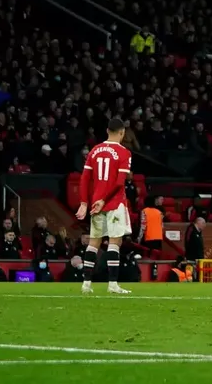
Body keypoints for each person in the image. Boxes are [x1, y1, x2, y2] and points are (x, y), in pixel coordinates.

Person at [73, 119, 133, 296]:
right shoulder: (124, 153)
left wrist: (84, 202)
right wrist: (105, 200)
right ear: (121, 132)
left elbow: (84, 179)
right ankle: (113, 284)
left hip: (96, 203)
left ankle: (86, 283)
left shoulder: (94, 150)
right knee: (115, 241)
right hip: (113, 202)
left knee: (94, 242)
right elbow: (119, 183)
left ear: (107, 131)